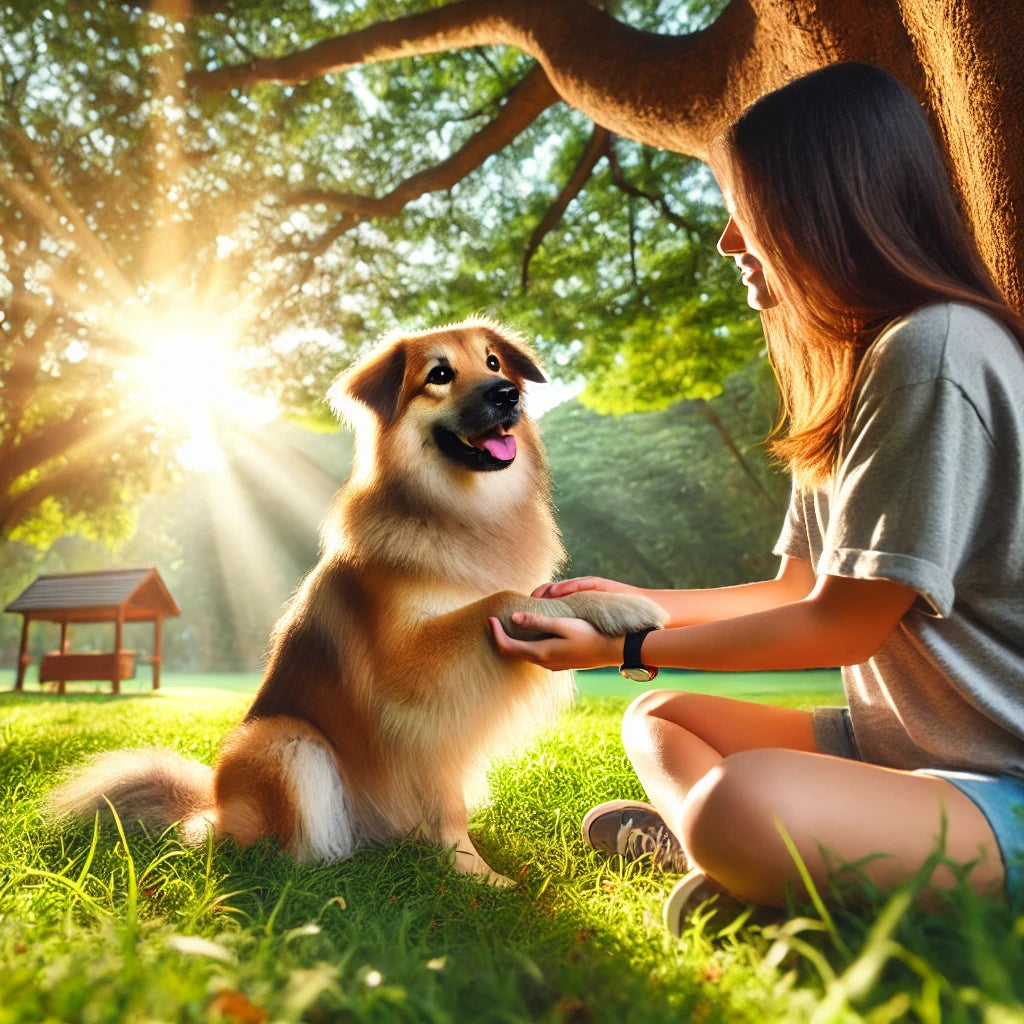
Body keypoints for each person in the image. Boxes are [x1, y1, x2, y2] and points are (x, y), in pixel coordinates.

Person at [490, 61, 1024, 934]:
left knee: (742, 799)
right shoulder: (854, 376)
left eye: (749, 209)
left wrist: (617, 652)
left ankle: (743, 849)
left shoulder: (934, 350)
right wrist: (620, 610)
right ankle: (754, 856)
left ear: (829, 204)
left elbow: (843, 627)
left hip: (1003, 778)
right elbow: (791, 593)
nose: (730, 243)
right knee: (664, 717)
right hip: (903, 753)